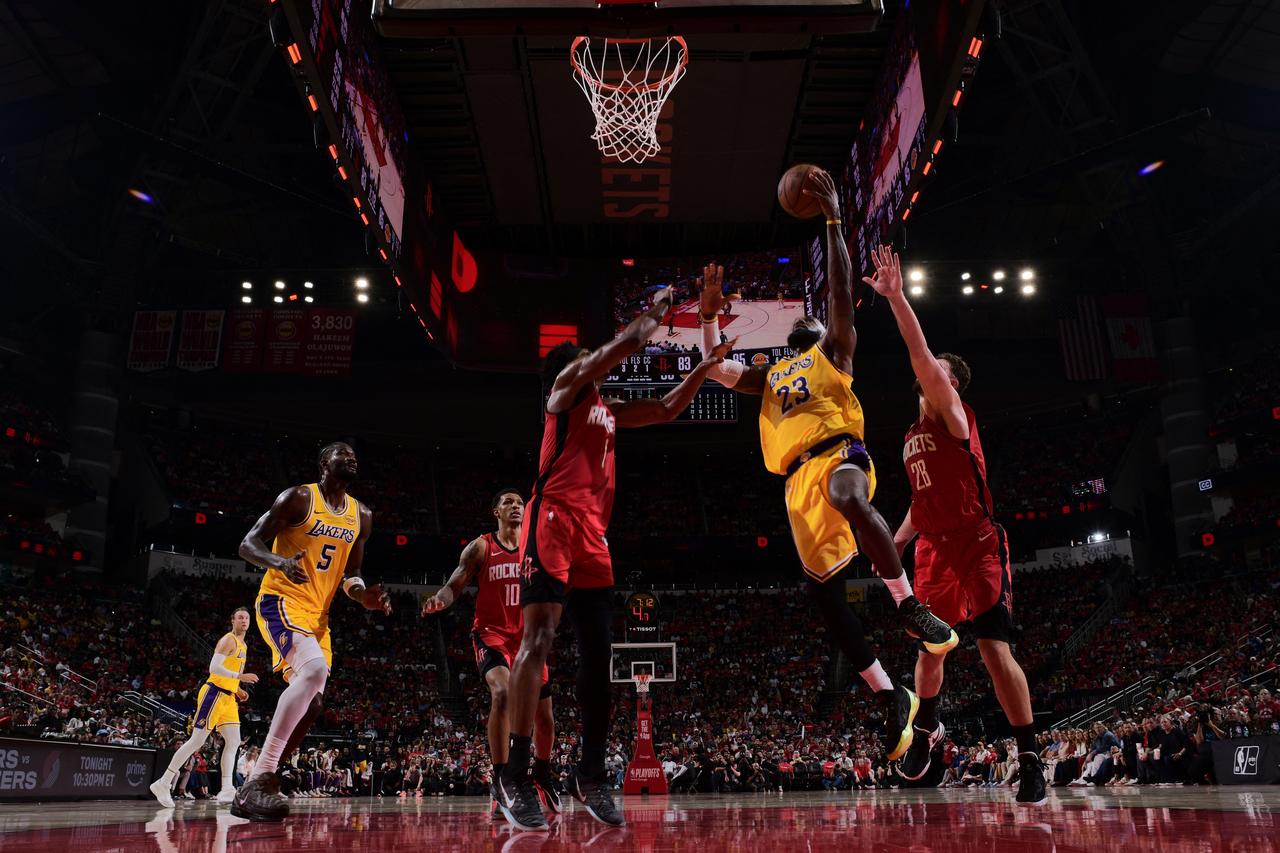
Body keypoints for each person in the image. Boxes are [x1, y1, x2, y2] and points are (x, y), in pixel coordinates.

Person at [694, 168, 956, 762]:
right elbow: (714, 367)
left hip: (840, 454)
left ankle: (907, 603)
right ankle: (891, 696)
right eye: (803, 323)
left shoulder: (832, 352)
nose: (810, 321)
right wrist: (708, 316)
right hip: (795, 486)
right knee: (826, 600)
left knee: (849, 495)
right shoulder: (770, 376)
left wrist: (834, 220)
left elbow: (840, 294)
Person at [496, 286, 735, 831]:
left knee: (600, 658)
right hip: (552, 520)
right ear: (572, 367)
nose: (590, 362)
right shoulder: (562, 393)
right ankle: (514, 772)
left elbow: (669, 407)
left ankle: (589, 774)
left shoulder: (606, 409)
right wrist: (654, 314)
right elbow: (621, 345)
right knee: (540, 639)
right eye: (583, 359)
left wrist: (705, 365)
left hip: (593, 535)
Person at [856, 245, 1046, 805]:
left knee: (992, 651)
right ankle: (930, 729)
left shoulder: (955, 414)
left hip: (978, 542)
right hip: (934, 547)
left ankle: (1029, 755)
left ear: (950, 383)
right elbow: (922, 501)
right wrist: (893, 542)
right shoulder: (914, 434)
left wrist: (896, 299)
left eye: (937, 370)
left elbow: (917, 354)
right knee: (930, 650)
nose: (927, 371)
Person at [230, 441, 392, 821]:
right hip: (280, 601)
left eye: (355, 453)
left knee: (314, 704)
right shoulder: (300, 498)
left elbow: (351, 575)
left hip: (319, 618)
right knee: (315, 671)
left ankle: (261, 784)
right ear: (324, 463)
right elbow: (247, 544)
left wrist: (362, 596)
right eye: (342, 453)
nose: (351, 457)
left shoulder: (361, 515)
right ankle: (259, 778)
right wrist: (278, 562)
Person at [422, 488, 561, 818]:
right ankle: (501, 779)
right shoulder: (482, 546)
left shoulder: (535, 546)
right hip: (492, 635)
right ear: (495, 512)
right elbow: (455, 583)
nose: (515, 507)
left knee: (545, 718)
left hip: (528, 642)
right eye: (508, 503)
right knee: (502, 694)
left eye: (519, 503)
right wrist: (440, 599)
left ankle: (541, 774)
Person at [149, 607, 258, 807]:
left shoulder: (244, 645)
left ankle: (227, 789)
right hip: (214, 694)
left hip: (229, 698)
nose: (244, 620)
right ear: (232, 620)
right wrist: (239, 678)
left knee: (234, 742)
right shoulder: (228, 640)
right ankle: (163, 783)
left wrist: (238, 688)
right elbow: (214, 668)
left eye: (247, 618)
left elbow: (230, 672)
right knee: (196, 741)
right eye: (240, 617)